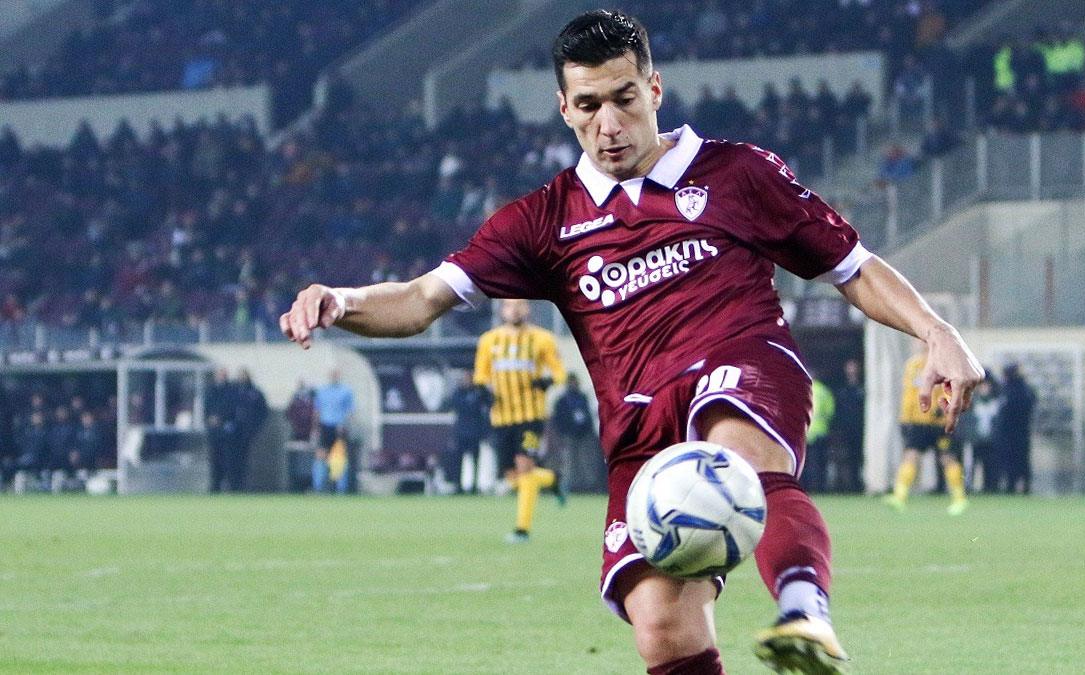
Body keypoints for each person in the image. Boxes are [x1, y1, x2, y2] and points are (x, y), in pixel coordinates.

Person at [279, 10, 984, 674]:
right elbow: (421, 299)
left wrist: (937, 331)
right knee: (663, 625)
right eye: (589, 106)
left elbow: (852, 268)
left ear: (654, 89)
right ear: (564, 108)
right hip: (639, 425)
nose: (609, 124)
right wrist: (343, 301)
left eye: (624, 99)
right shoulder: (543, 220)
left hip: (743, 362)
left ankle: (805, 615)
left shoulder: (737, 173)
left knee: (737, 451)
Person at [473, 298, 567, 542]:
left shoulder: (542, 339)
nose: (514, 310)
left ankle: (522, 529)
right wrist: (483, 391)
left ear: (528, 309)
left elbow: (560, 372)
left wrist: (547, 381)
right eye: (509, 306)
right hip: (502, 417)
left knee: (525, 467)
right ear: (502, 310)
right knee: (512, 477)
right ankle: (551, 479)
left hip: (531, 417)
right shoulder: (489, 340)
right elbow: (481, 375)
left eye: (519, 305)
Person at [885, 339, 970, 515]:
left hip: (938, 422)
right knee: (910, 455)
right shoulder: (913, 365)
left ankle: (959, 498)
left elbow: (951, 388)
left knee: (947, 458)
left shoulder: (944, 365)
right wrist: (905, 418)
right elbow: (909, 394)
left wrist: (943, 407)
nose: (924, 345)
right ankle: (899, 496)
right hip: (917, 422)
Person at [549, 372, 603, 494]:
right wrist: (562, 434)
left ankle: (588, 486)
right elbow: (558, 419)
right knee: (569, 461)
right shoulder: (561, 400)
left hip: (584, 435)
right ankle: (569, 486)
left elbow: (588, 415)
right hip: (568, 435)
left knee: (586, 461)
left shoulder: (583, 397)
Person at [443, 371, 492, 494]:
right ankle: (458, 485)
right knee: (458, 460)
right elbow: (450, 404)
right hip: (461, 432)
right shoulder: (458, 393)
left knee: (476, 459)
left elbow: (490, 402)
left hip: (475, 431)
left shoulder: (479, 393)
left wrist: (482, 388)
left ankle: (474, 485)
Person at [995, 363, 1037, 494]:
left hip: (1009, 431)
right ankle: (1025, 485)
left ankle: (1011, 485)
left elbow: (1004, 411)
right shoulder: (1026, 389)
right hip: (1023, 430)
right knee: (1022, 460)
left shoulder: (1007, 390)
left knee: (1010, 459)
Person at [312, 369, 355, 494]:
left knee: (339, 457)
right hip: (325, 426)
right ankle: (318, 488)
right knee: (320, 455)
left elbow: (350, 411)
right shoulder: (322, 391)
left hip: (339, 427)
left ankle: (341, 489)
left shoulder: (346, 391)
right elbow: (317, 410)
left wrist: (346, 425)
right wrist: (315, 428)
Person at [230, 368, 268, 492]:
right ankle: (231, 485)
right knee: (231, 460)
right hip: (232, 433)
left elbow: (262, 412)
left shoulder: (255, 393)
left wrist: (254, 428)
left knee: (244, 461)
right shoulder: (233, 392)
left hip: (248, 433)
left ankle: (241, 486)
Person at [831, 359, 864, 493]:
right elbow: (838, 411)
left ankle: (858, 484)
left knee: (859, 457)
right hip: (846, 429)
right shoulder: (842, 391)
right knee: (847, 458)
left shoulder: (862, 389)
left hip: (859, 428)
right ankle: (849, 485)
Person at [204, 367, 238, 493]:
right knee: (215, 460)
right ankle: (215, 485)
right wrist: (210, 419)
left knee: (229, 460)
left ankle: (231, 485)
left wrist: (221, 418)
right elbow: (206, 407)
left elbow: (231, 407)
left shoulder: (231, 391)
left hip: (227, 433)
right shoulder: (210, 390)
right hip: (214, 433)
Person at [800, 374, 834, 493]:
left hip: (805, 433)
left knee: (805, 463)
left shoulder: (801, 388)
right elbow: (830, 411)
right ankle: (820, 487)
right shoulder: (824, 391)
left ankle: (805, 486)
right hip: (821, 432)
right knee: (820, 461)